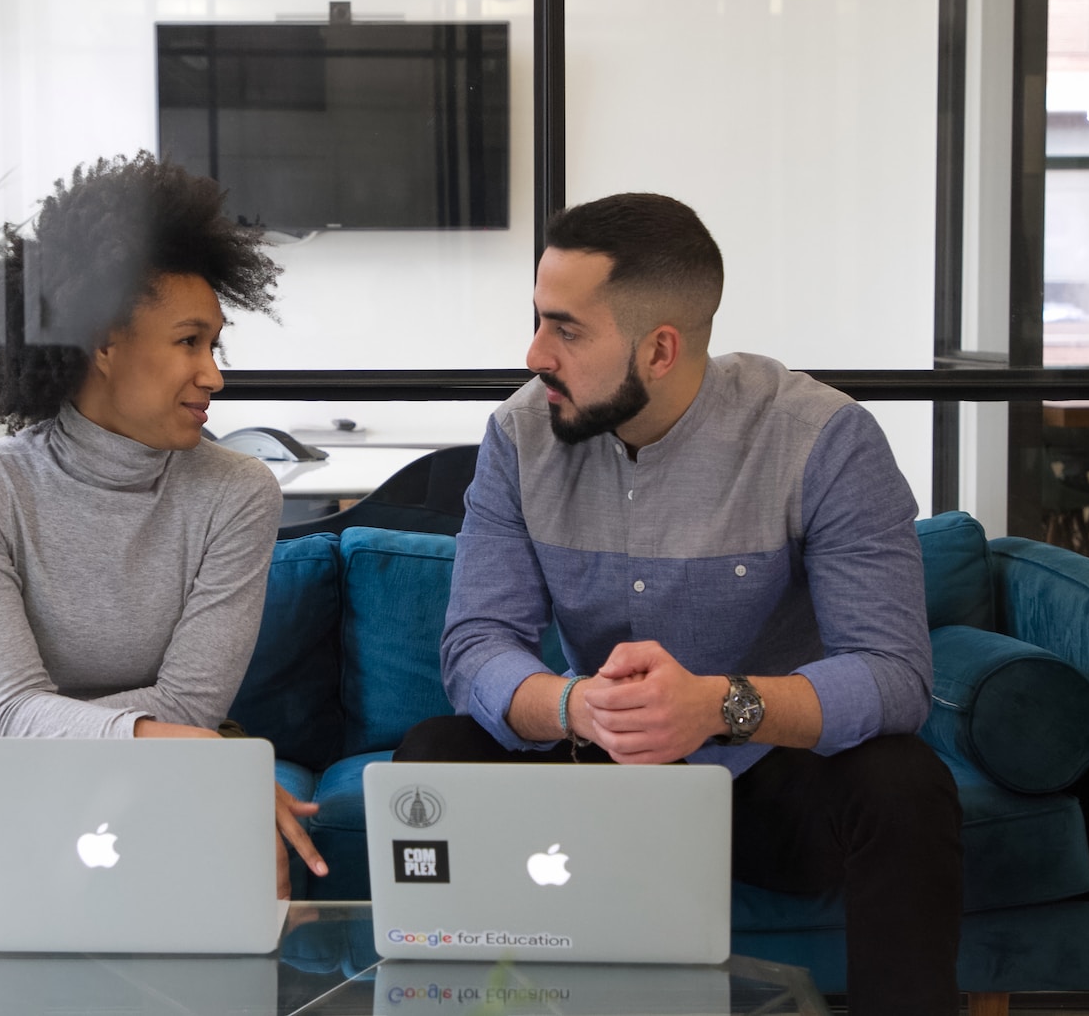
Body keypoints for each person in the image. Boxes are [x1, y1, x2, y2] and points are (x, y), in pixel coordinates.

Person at [394, 193, 961, 1015]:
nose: (534, 352)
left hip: (764, 772)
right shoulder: (519, 437)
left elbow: (895, 675)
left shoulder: (820, 439)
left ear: (659, 349)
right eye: (538, 320)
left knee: (903, 783)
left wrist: (716, 706)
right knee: (435, 752)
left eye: (567, 329)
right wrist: (576, 703)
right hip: (597, 763)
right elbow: (478, 641)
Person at [0, 152, 328, 898]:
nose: (215, 374)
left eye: (214, 345)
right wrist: (6, 718)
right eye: (190, 341)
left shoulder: (239, 490)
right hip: (166, 749)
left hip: (173, 745)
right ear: (102, 342)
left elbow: (192, 705)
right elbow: (14, 698)